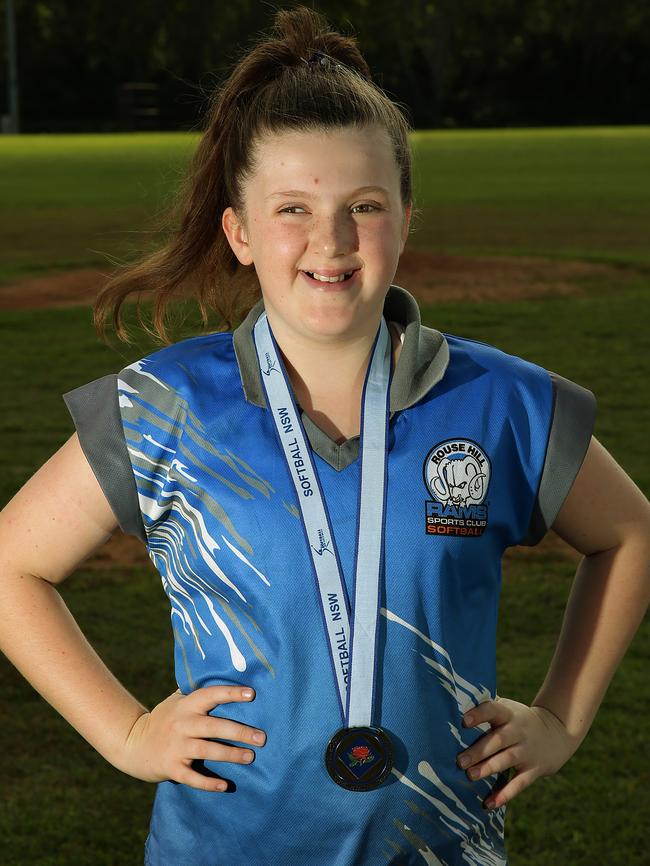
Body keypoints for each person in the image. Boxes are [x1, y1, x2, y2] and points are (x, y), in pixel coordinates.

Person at [0, 7, 648, 865]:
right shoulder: (168, 406)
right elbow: (12, 564)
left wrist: (563, 717)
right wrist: (125, 732)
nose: (332, 241)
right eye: (292, 208)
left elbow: (631, 533)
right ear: (239, 231)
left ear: (408, 220)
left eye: (365, 206)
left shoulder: (500, 403)